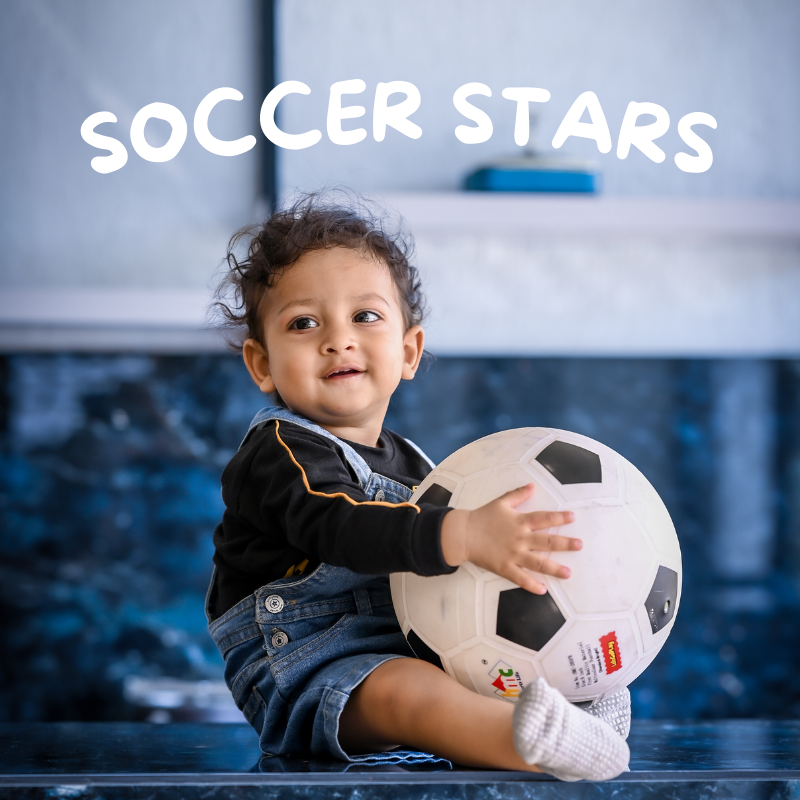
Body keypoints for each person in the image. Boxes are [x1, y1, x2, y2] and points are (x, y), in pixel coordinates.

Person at [206, 192, 630, 780]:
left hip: (407, 637)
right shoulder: (278, 454)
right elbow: (338, 526)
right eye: (304, 323)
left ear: (408, 351)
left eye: (365, 316)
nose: (338, 339)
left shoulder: (416, 462)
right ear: (262, 365)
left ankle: (570, 706)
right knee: (406, 696)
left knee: (475, 654)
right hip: (302, 661)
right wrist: (461, 533)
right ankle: (528, 744)